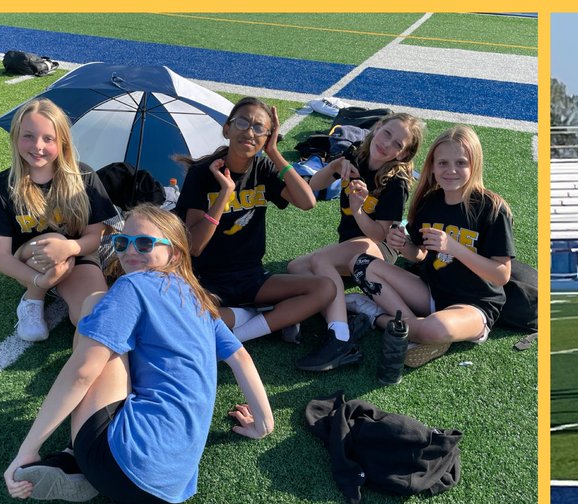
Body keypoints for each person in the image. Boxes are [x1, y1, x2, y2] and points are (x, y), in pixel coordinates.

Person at [2, 204, 272, 504]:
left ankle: (73, 457)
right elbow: (242, 360)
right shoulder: (200, 302)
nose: (130, 251)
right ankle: (81, 461)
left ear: (175, 254)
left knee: (95, 308)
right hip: (172, 488)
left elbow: (83, 372)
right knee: (111, 333)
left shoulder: (132, 285)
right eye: (121, 243)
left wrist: (27, 451)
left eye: (144, 243)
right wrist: (263, 425)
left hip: (118, 464)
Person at [175, 98, 343, 364]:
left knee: (325, 288)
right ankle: (258, 316)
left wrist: (274, 153)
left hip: (252, 278)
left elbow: (307, 202)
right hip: (207, 281)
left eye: (259, 127)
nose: (249, 131)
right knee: (181, 319)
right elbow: (195, 245)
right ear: (227, 129)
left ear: (267, 136)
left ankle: (239, 336)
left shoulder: (263, 168)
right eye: (242, 122)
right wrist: (224, 195)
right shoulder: (203, 173)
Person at [348, 125, 514, 371]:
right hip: (431, 292)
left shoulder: (492, 208)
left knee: (433, 328)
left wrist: (455, 248)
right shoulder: (429, 202)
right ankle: (412, 328)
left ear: (474, 164)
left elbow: (501, 275)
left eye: (461, 162)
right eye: (443, 163)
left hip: (474, 304)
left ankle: (378, 317)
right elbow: (421, 255)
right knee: (359, 263)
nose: (451, 170)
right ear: (432, 166)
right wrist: (404, 246)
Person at [288, 113, 424, 370]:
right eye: (387, 134)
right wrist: (333, 167)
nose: (387, 144)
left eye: (398, 144)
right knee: (297, 268)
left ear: (403, 155)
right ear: (378, 127)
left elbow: (380, 235)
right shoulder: (354, 155)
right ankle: (355, 309)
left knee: (319, 261)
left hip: (377, 250)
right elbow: (313, 187)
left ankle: (340, 337)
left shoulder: (397, 182)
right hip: (349, 245)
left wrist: (359, 210)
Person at [0, 98, 115, 343]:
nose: (37, 146)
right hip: (30, 264)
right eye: (28, 136)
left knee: (94, 318)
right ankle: (33, 297)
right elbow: (1, 257)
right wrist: (40, 281)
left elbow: (96, 236)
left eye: (48, 139)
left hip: (78, 257)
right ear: (15, 137)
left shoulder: (84, 176)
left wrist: (69, 248)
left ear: (62, 142)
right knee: (53, 239)